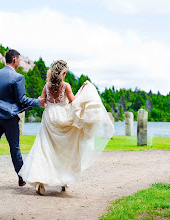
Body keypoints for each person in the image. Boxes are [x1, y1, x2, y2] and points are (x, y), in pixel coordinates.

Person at [18, 60, 114, 195]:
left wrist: (48, 103)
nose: (65, 76)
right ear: (62, 73)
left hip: (49, 118)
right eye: (65, 73)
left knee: (45, 148)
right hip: (63, 116)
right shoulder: (66, 86)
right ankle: (63, 180)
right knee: (64, 149)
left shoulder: (46, 86)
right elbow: (74, 103)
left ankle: (41, 182)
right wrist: (83, 91)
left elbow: (42, 102)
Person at [0, 49, 45, 192]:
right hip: (9, 118)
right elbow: (22, 100)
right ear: (14, 59)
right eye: (19, 60)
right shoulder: (18, 77)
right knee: (14, 149)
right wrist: (38, 102)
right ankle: (21, 178)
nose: (20, 62)